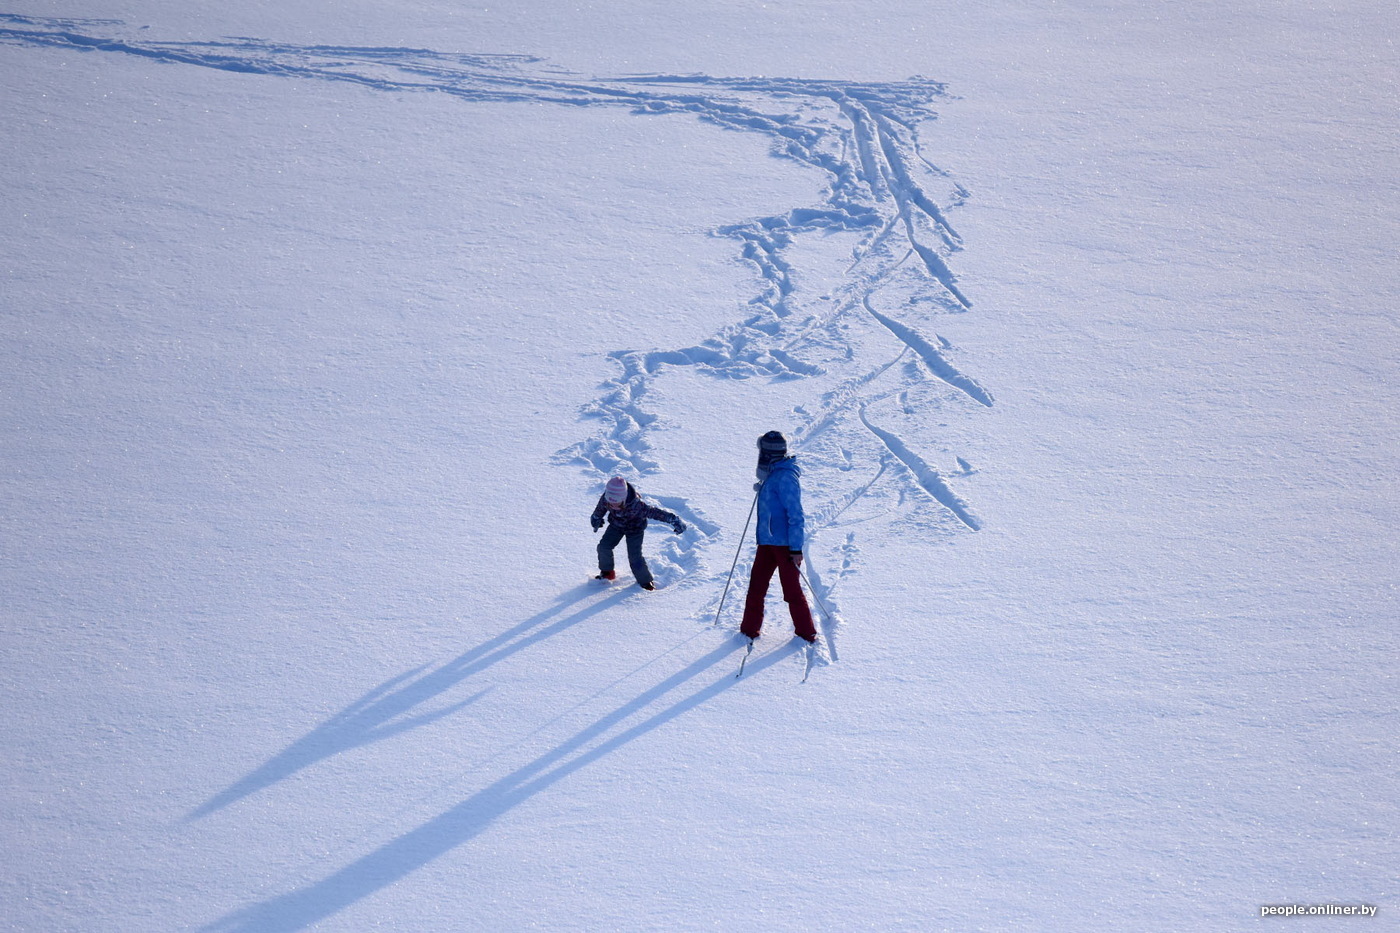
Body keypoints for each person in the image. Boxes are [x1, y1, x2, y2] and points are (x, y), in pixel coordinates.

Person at [740, 431, 817, 643]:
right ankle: (748, 630)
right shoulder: (772, 474)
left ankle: (806, 633)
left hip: (784, 545)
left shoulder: (786, 476)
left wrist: (795, 549)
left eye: (763, 450)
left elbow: (796, 514)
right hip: (766, 542)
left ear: (769, 452)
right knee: (756, 588)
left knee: (791, 591)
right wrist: (763, 489)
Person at [591, 476, 685, 590]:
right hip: (616, 526)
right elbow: (600, 509)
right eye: (610, 502)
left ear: (623, 498)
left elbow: (656, 513)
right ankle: (607, 573)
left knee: (635, 557)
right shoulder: (607, 498)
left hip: (635, 530)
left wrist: (673, 520)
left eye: (616, 503)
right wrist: (596, 518)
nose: (612, 506)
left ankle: (645, 582)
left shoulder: (637, 506)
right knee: (603, 547)